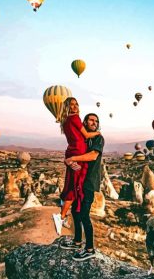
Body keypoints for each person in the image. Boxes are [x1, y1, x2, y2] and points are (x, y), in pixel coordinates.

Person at [60, 113, 105, 261]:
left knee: (84, 214)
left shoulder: (98, 138)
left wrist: (73, 158)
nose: (94, 122)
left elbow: (92, 156)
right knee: (75, 211)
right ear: (84, 122)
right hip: (78, 180)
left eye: (96, 121)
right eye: (91, 120)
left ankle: (90, 248)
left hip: (89, 181)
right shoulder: (82, 138)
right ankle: (77, 241)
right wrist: (69, 160)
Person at [53, 98, 101, 235]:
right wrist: (98, 133)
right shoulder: (74, 118)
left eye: (76, 104)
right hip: (78, 153)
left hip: (73, 151)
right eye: (71, 105)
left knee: (71, 185)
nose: (74, 107)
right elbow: (85, 135)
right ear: (67, 107)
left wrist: (69, 159)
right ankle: (61, 216)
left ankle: (66, 217)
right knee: (74, 187)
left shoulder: (66, 121)